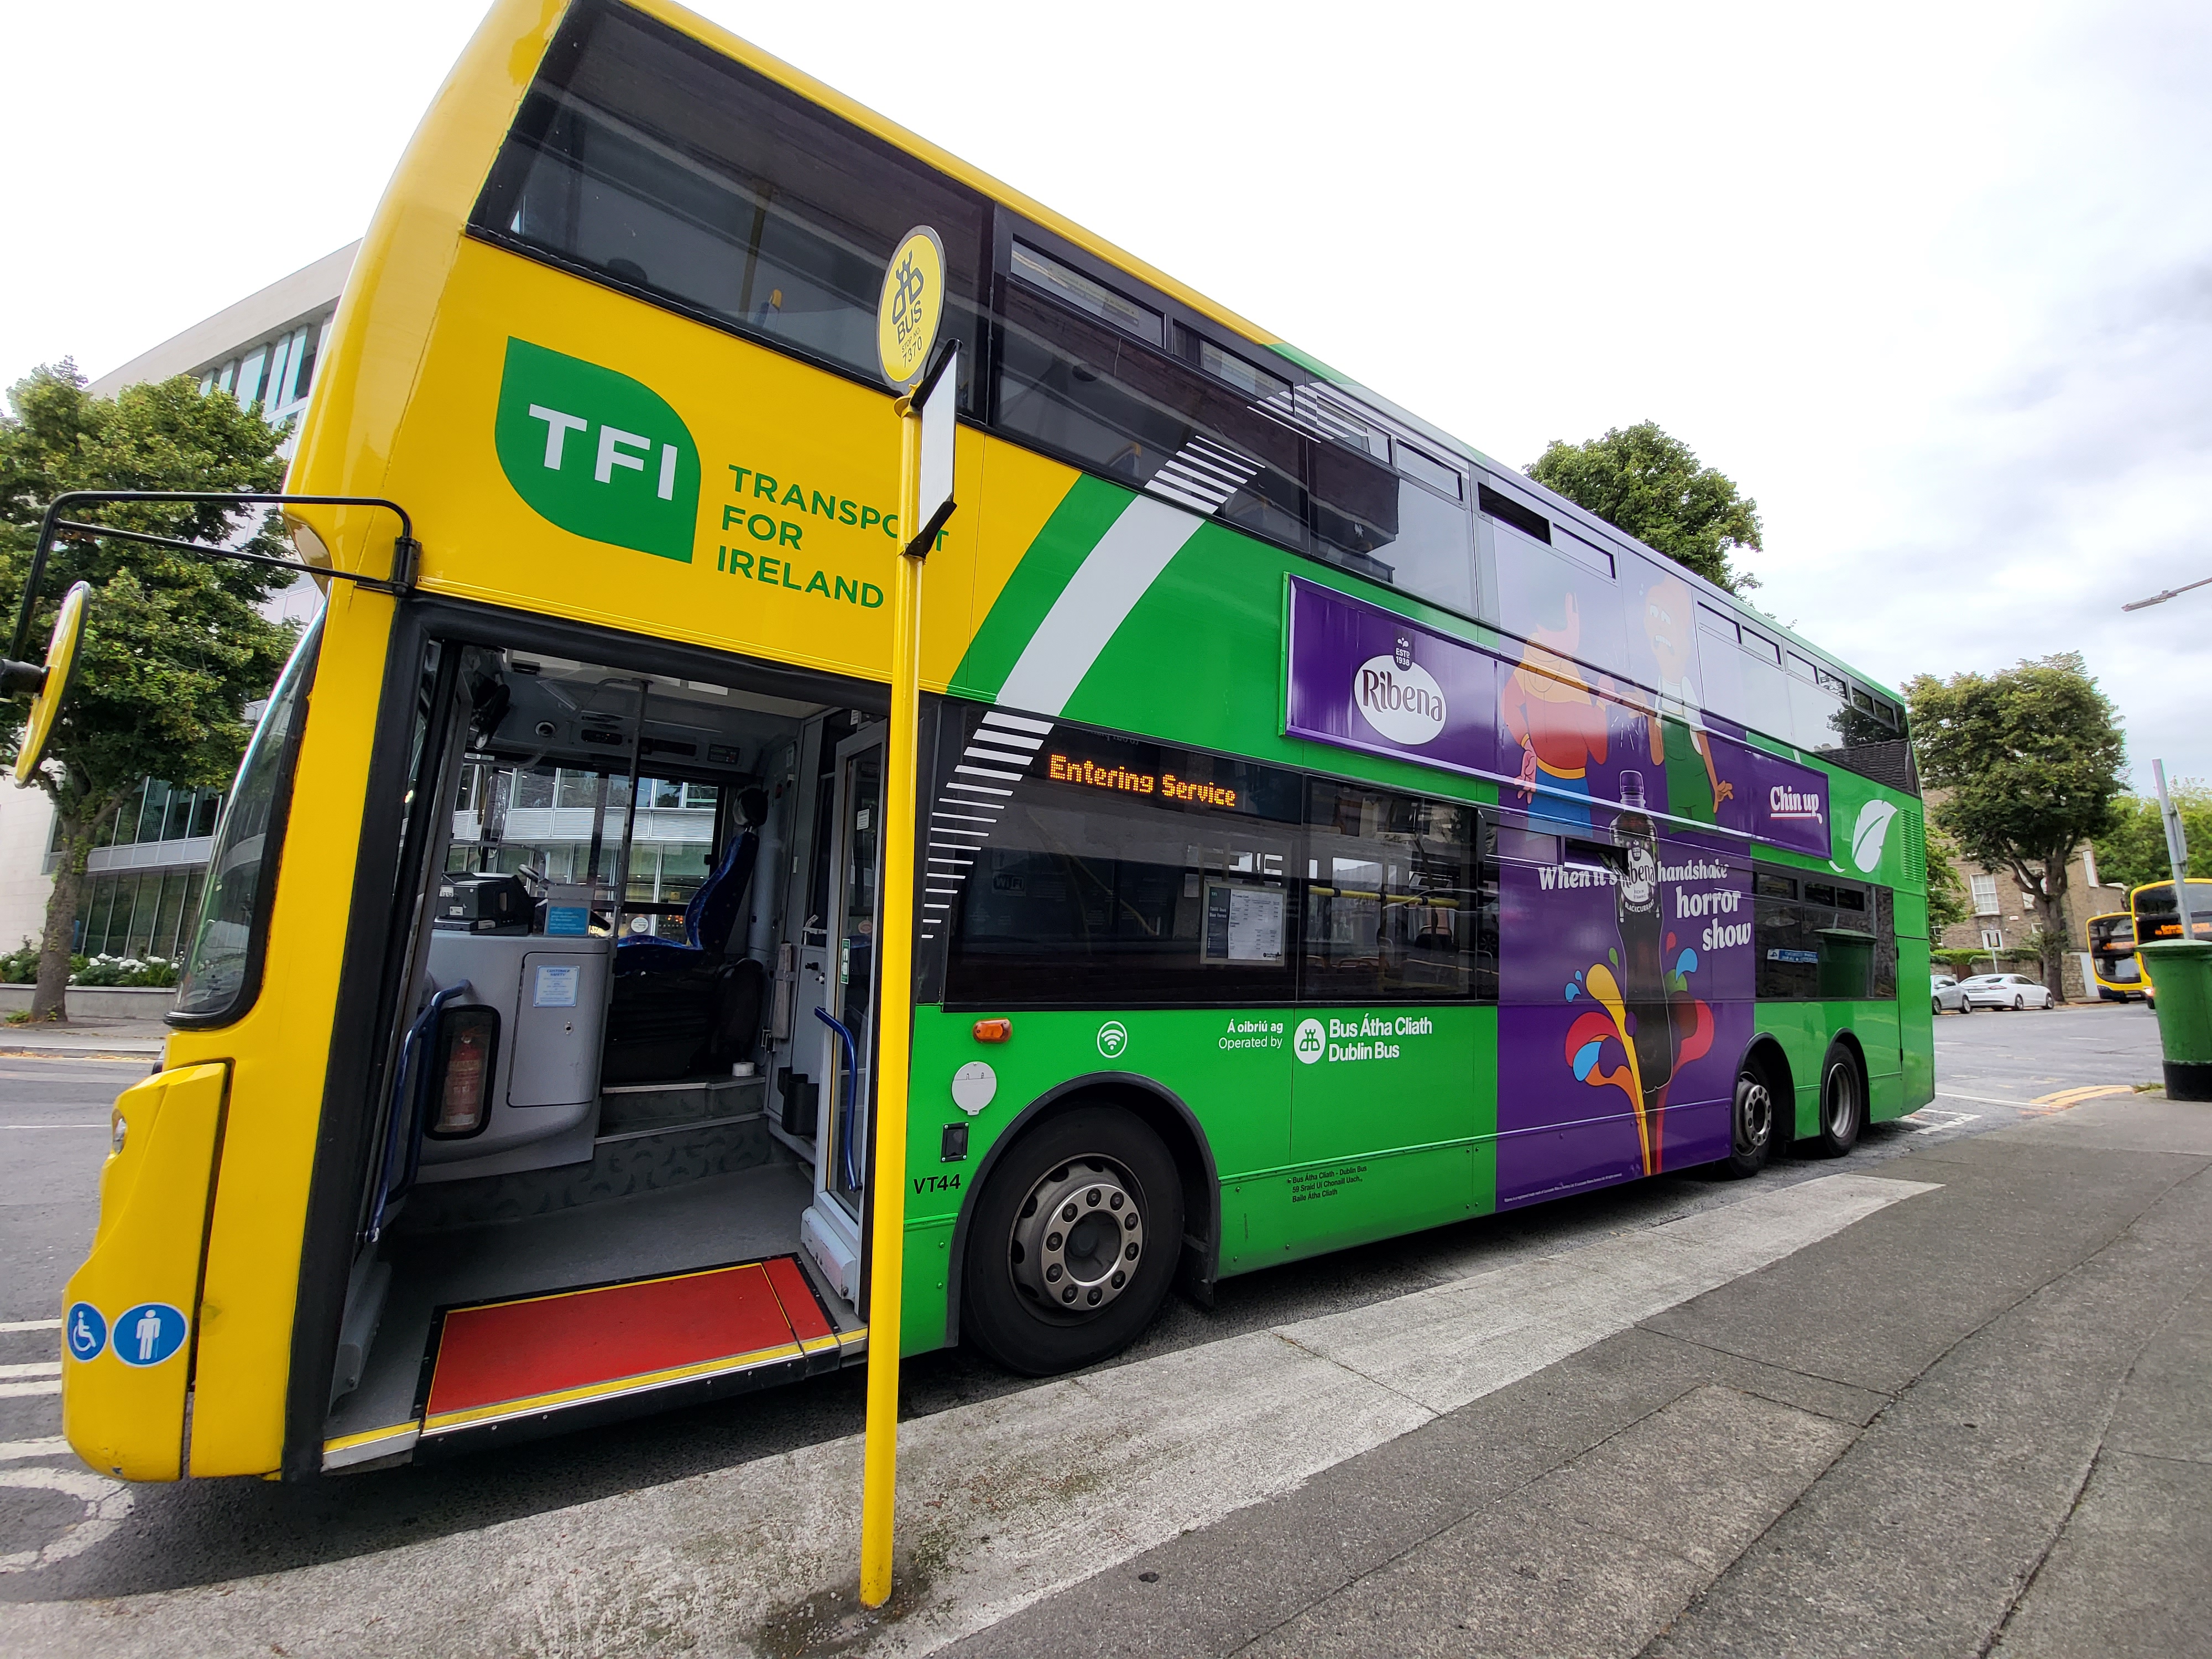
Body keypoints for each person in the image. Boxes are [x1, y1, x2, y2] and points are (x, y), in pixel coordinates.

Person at [1636, 575, 1733, 822]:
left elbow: (1703, 739)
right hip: (1675, 794)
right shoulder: (1656, 690)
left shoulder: (1685, 688)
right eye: (1653, 614)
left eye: (1665, 617)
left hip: (1699, 787)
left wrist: (1714, 788)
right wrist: (1648, 715)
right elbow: (1658, 758)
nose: (1658, 625)